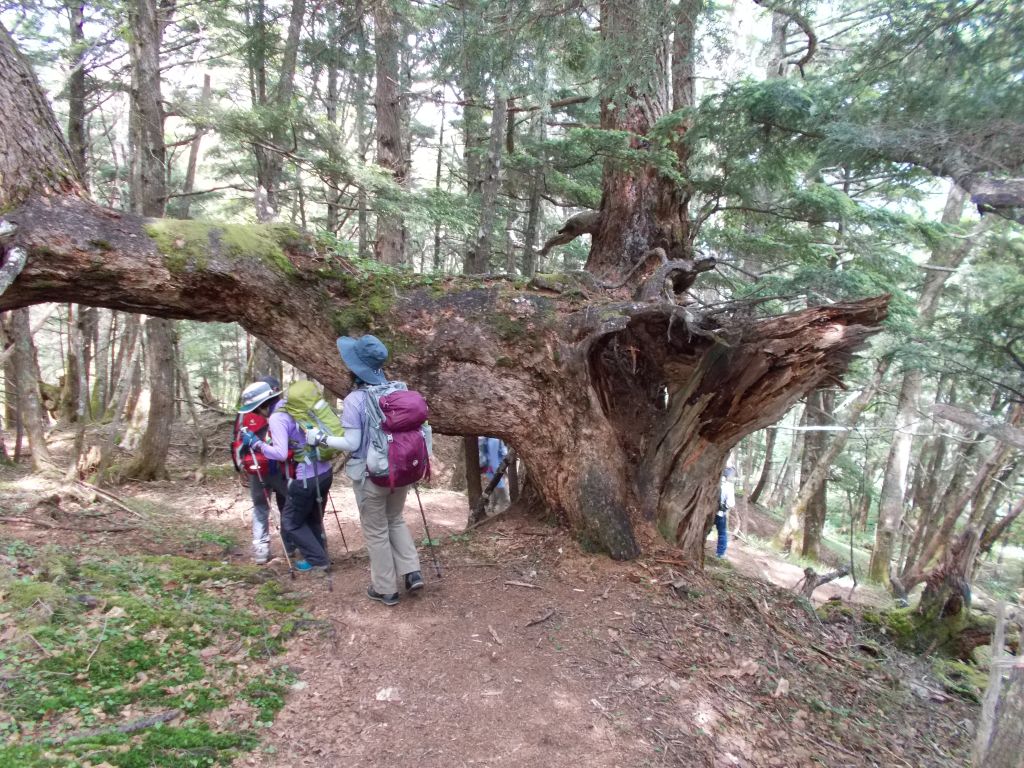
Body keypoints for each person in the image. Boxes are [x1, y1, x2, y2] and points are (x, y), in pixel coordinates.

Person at [305, 334, 423, 607]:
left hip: (372, 475)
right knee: (395, 519)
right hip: (401, 469)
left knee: (376, 529)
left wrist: (318, 439)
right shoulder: (397, 390)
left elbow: (352, 443)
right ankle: (412, 572)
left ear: (355, 368)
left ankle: (385, 589)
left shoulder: (356, 399)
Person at [240, 380, 333, 574]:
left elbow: (280, 453)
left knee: (290, 521)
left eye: (256, 409)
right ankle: (318, 555)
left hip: (306, 476)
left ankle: (318, 560)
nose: (256, 413)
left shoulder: (277, 418)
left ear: (262, 406)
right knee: (312, 517)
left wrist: (257, 444)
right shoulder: (291, 405)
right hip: (324, 470)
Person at [234, 376, 307, 569]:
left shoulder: (246, 415)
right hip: (280, 466)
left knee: (261, 507)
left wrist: (240, 465)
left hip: (257, 466)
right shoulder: (284, 411)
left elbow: (237, 441)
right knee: (286, 504)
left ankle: (262, 549)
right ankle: (289, 545)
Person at [478, 436, 510, 512]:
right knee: (499, 487)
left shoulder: (486, 439)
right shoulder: (494, 440)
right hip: (494, 467)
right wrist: (498, 471)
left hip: (489, 467)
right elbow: (494, 457)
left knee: (493, 486)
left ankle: (492, 507)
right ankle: (501, 509)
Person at [716, 466, 737, 558]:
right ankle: (720, 554)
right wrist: (725, 507)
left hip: (709, 512)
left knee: (705, 529)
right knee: (722, 533)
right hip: (720, 513)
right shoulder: (729, 486)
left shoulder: (716, 481)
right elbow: (731, 503)